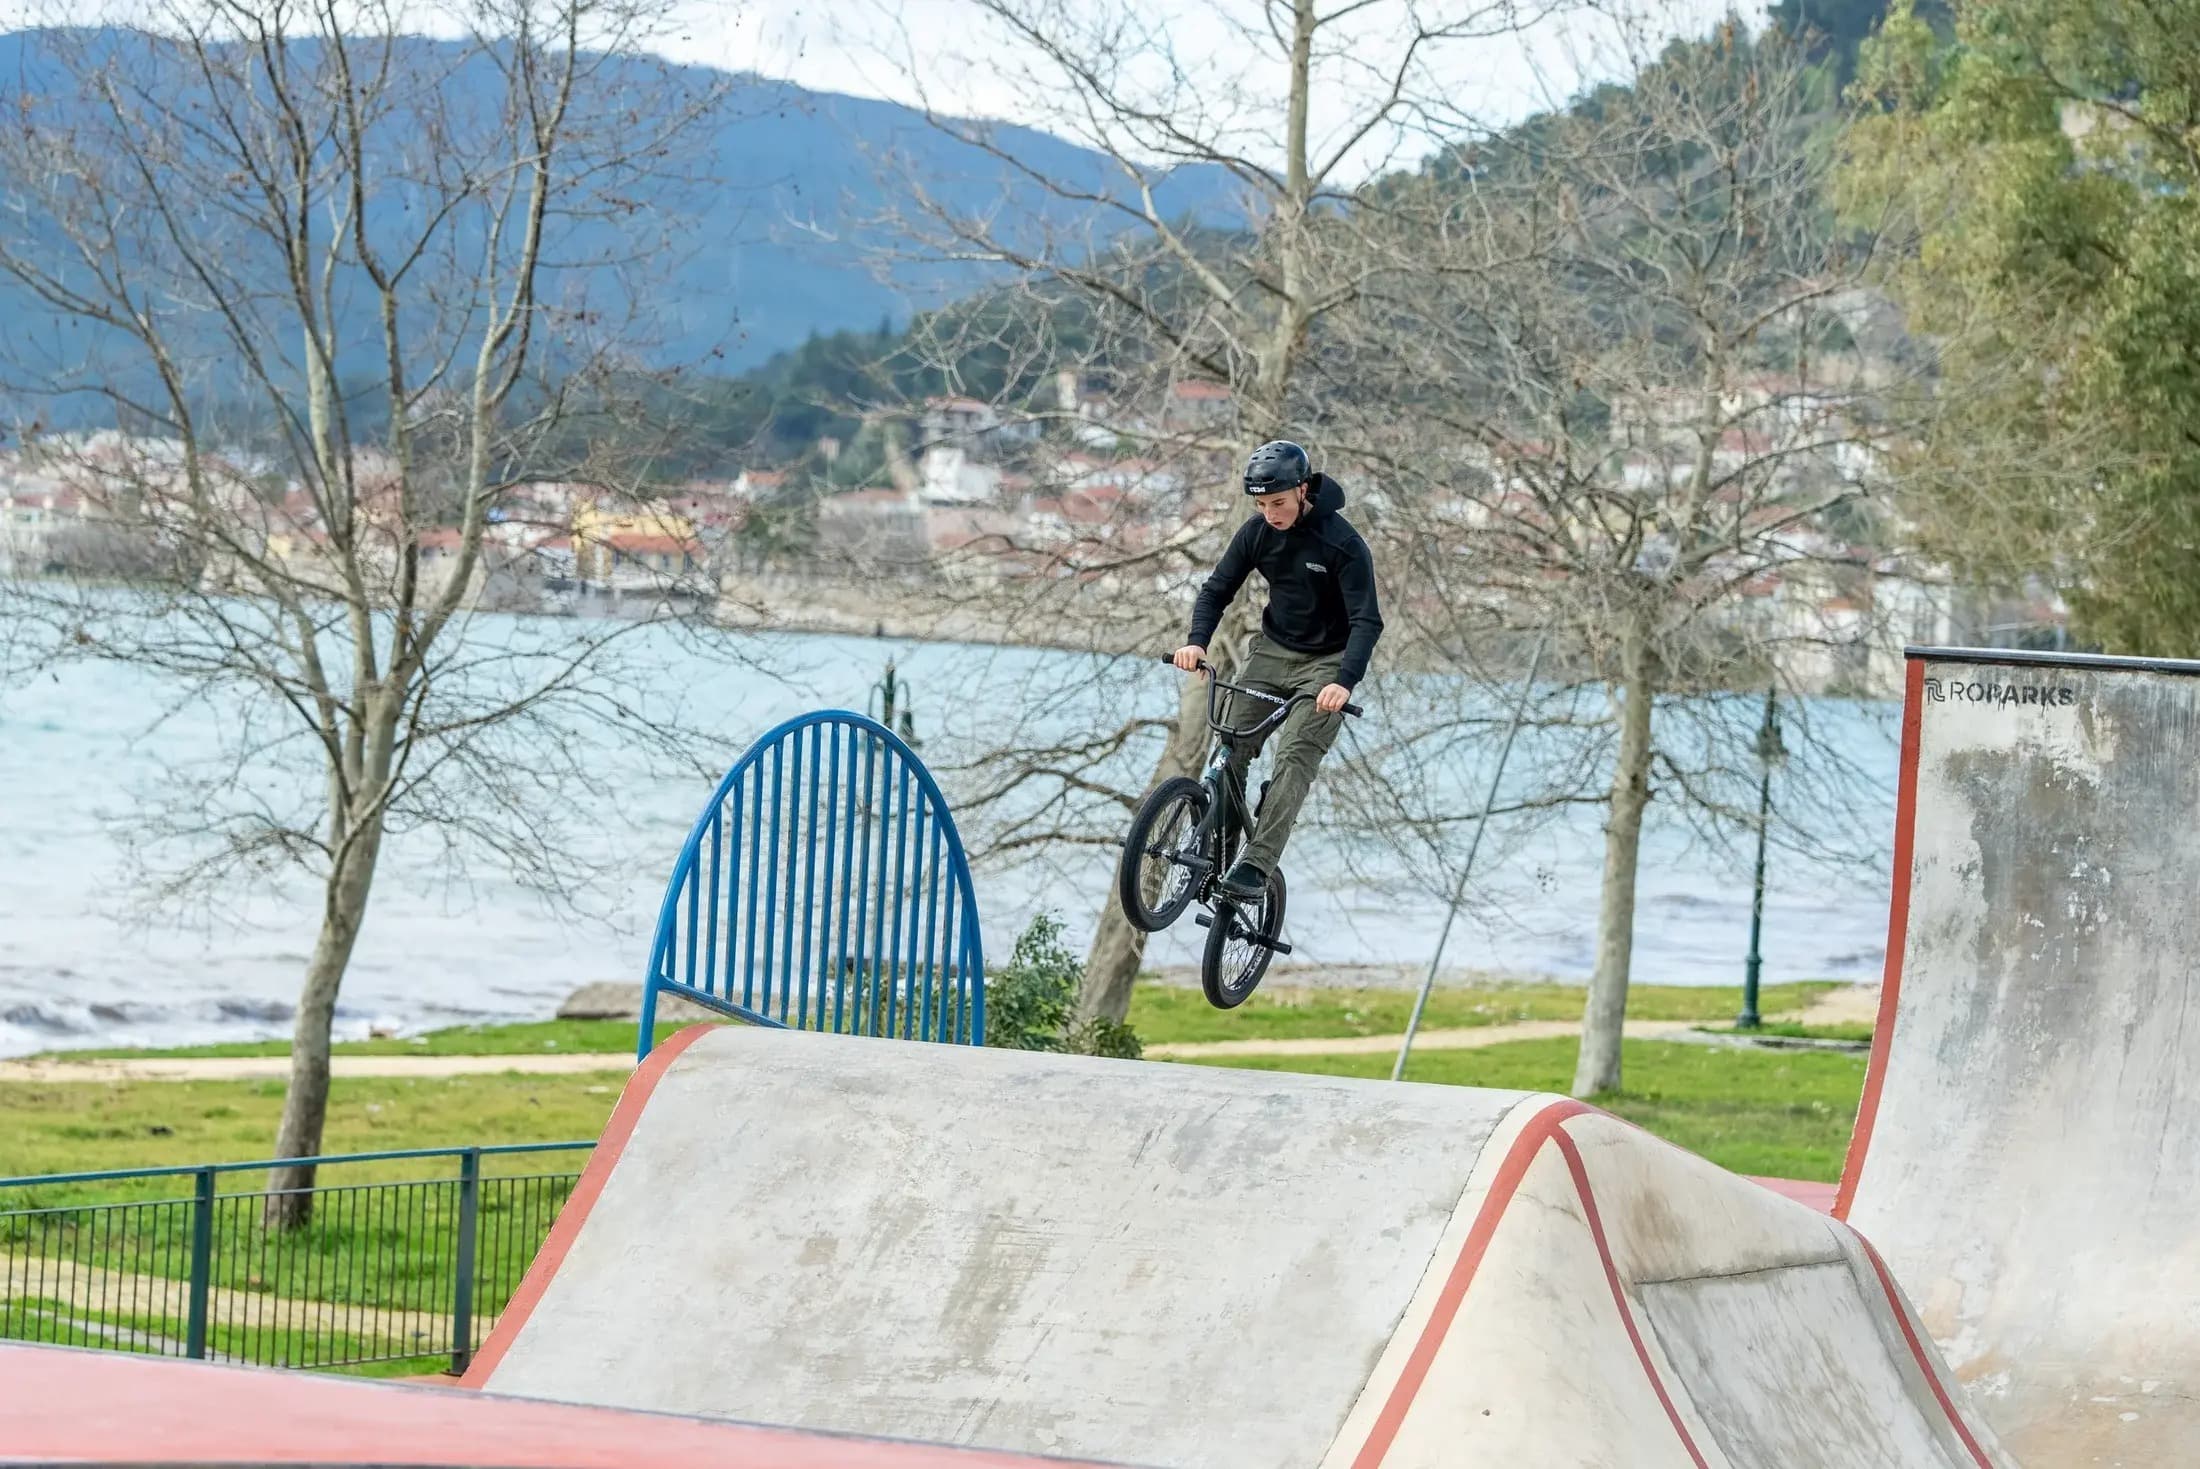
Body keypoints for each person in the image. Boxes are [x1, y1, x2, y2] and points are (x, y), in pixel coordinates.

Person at [1173, 439, 1383, 901]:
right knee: (1230, 745)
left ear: (1303, 490)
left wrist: (1344, 683)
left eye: (1279, 503)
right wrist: (1197, 641)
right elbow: (1217, 590)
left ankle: (1256, 866)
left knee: (1294, 757)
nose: (1270, 514)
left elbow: (1367, 621)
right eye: (1262, 505)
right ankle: (1220, 855)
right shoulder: (1257, 533)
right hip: (1272, 650)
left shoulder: (1343, 544)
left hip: (1328, 663)